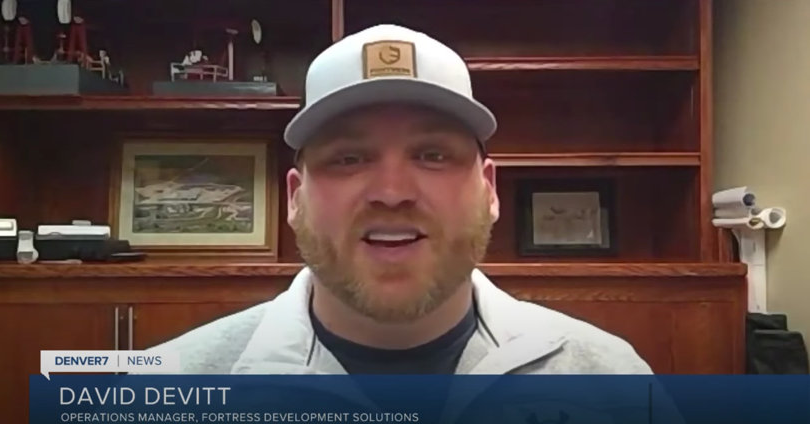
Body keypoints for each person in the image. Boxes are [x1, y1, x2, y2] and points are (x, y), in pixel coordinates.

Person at [147, 24, 652, 375]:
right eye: (348, 159)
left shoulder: (614, 380)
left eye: (432, 155)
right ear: (295, 198)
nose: (392, 193)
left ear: (490, 190)